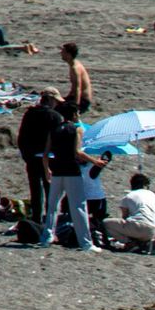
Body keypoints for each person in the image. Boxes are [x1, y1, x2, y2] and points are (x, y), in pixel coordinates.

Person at [42, 101, 106, 252]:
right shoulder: (77, 129)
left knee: (52, 205)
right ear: (73, 114)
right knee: (79, 206)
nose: (78, 115)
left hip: (57, 170)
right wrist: (95, 161)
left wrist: (47, 170)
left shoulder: (54, 129)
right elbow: (77, 152)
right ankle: (86, 243)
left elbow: (45, 154)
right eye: (77, 113)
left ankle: (47, 236)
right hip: (72, 171)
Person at [17, 87, 63, 222]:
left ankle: (37, 218)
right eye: (55, 101)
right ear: (50, 100)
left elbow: (22, 137)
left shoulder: (29, 113)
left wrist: (26, 156)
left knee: (35, 191)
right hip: (49, 158)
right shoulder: (55, 116)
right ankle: (49, 220)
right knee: (50, 191)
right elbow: (58, 138)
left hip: (31, 157)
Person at [105, 173, 155, 249]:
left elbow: (125, 217)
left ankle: (129, 242)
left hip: (138, 227)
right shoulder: (153, 195)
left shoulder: (129, 196)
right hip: (153, 231)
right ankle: (142, 242)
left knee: (106, 223)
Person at [61, 42, 92, 114]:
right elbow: (73, 88)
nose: (61, 54)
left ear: (68, 55)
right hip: (76, 97)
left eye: (63, 52)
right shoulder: (72, 64)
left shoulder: (75, 68)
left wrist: (75, 107)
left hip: (83, 101)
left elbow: (78, 88)